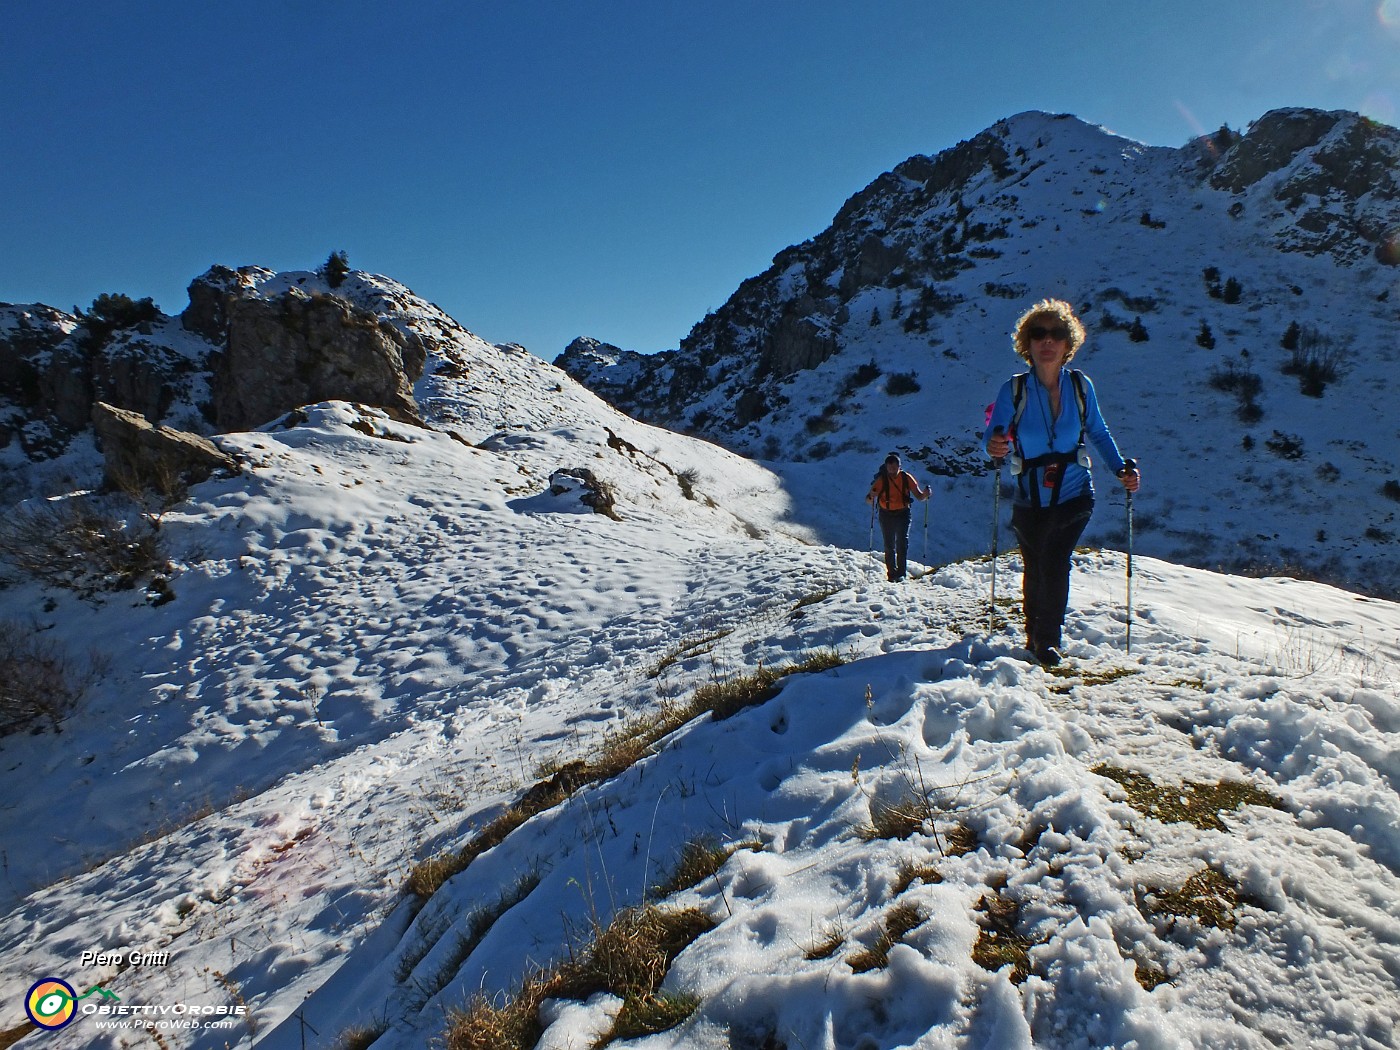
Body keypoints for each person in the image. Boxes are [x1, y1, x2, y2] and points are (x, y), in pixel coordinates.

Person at [984, 299, 1141, 666]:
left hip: (1074, 492)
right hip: (1029, 496)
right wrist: (993, 445)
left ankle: (1047, 640)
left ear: (1068, 343)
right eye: (1038, 333)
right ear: (1027, 343)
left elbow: (1098, 432)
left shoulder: (1081, 386)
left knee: (1054, 559)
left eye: (1056, 334)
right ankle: (1033, 630)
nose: (1047, 341)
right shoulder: (1015, 390)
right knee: (1035, 563)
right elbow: (995, 434)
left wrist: (1121, 469)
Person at [866, 452, 929, 582]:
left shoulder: (906, 478)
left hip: (903, 513)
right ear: (886, 467)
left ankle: (901, 574)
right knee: (889, 545)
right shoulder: (882, 480)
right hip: (886, 514)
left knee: (902, 543)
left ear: (899, 466)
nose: (892, 471)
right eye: (890, 468)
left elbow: (919, 496)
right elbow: (868, 499)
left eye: (895, 468)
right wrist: (872, 495)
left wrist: (926, 494)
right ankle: (892, 575)